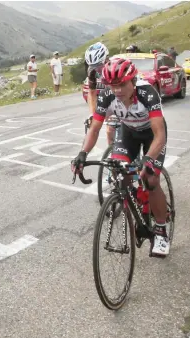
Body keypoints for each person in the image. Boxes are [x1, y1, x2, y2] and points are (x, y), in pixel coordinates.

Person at [71, 57, 171, 257]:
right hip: (128, 134)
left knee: (151, 179)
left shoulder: (147, 93)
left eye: (122, 84)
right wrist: (82, 154)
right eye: (113, 85)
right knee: (120, 174)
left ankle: (160, 229)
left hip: (152, 135)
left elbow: (159, 135)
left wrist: (148, 159)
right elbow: (95, 128)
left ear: (132, 81)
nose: (117, 90)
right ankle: (138, 204)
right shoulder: (107, 96)